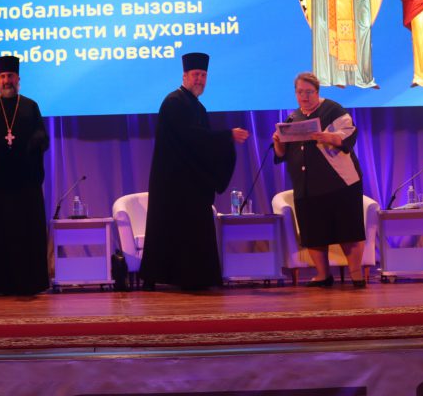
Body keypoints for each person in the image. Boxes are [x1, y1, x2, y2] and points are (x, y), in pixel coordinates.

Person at [140, 52, 249, 290]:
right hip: (173, 182)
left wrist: (222, 142)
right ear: (185, 76)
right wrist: (227, 136)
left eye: (203, 75)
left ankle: (194, 278)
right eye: (195, 75)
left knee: (190, 229)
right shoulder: (174, 102)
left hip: (190, 181)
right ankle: (182, 278)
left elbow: (202, 142)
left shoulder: (197, 106)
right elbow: (191, 137)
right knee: (173, 229)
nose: (199, 79)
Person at [273, 72, 367, 287]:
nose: (304, 97)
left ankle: (356, 275)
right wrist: (278, 141)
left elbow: (349, 134)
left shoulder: (333, 110)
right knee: (314, 233)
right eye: (300, 92)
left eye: (309, 92)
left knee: (348, 231)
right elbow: (281, 154)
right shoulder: (293, 118)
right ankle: (323, 275)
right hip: (307, 187)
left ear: (317, 92)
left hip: (340, 183)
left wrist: (329, 137)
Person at [0, 56, 50, 296]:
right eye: (3, 77)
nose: (7, 81)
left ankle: (30, 283)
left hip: (26, 183)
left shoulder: (30, 106)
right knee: (0, 235)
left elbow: (43, 137)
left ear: (18, 79)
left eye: (10, 76)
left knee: (27, 234)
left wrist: (36, 141)